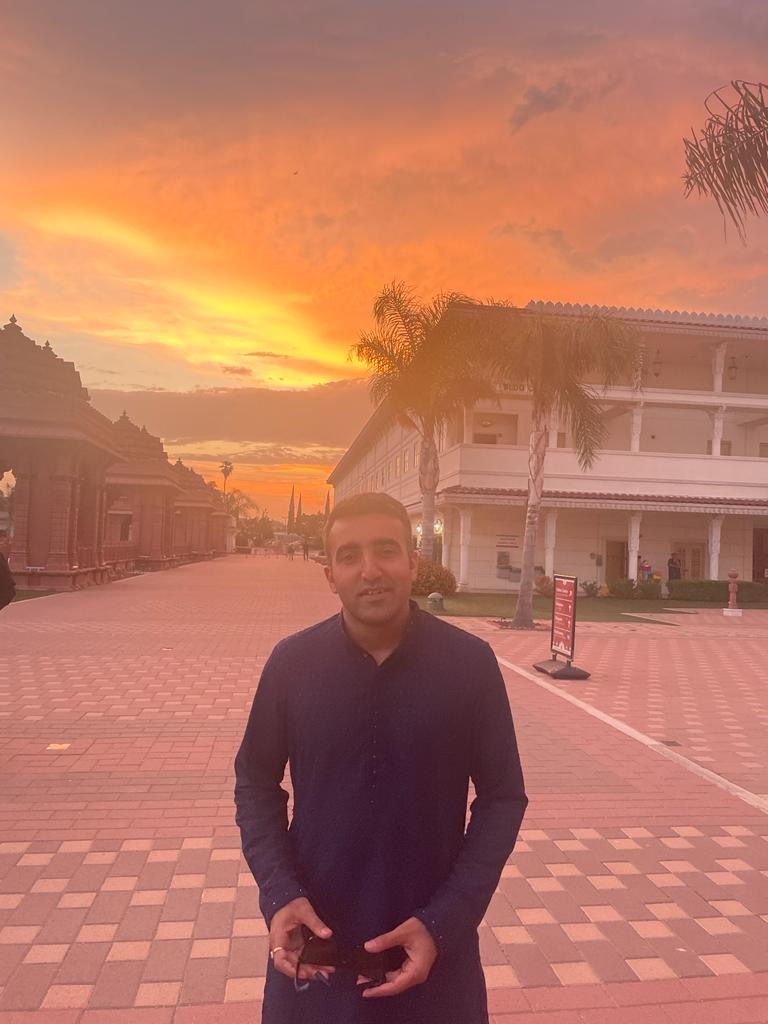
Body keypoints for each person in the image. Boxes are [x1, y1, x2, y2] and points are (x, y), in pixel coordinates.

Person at [234, 492, 527, 1024]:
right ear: (330, 576)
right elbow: (255, 782)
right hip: (315, 952)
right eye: (350, 556)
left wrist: (445, 921)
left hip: (436, 958)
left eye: (386, 550)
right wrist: (279, 894)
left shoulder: (469, 664)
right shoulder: (292, 665)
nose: (370, 570)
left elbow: (503, 797)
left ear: (413, 562)